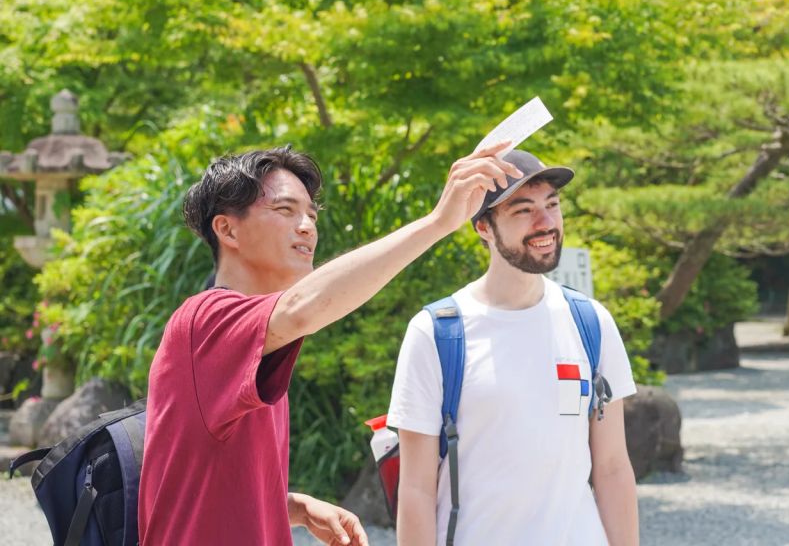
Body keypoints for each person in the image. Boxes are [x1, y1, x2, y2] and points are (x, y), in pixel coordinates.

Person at [138, 143, 520, 546]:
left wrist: (293, 506)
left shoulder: (251, 343)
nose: (306, 226)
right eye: (285, 210)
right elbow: (304, 307)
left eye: (311, 215)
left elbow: (204, 484)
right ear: (227, 229)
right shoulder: (208, 319)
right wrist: (438, 222)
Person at [387, 150, 639, 546]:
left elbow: (611, 467)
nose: (546, 223)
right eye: (523, 210)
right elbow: (417, 488)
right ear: (484, 227)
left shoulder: (590, 321)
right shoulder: (437, 333)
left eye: (552, 205)